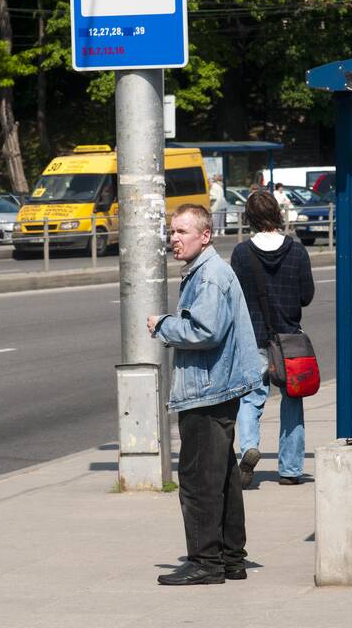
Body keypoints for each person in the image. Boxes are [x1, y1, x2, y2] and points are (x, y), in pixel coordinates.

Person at [148, 204, 264, 586]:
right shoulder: (207, 272)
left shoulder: (210, 276)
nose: (174, 239)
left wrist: (164, 325)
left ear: (205, 235)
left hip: (207, 391)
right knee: (224, 478)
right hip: (216, 388)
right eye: (172, 232)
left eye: (182, 232)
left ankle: (205, 563)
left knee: (199, 480)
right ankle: (231, 558)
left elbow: (206, 332)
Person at [231, 190, 315, 488]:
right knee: (292, 400)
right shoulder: (297, 251)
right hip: (289, 340)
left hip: (253, 337)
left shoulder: (241, 254)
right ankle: (291, 469)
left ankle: (250, 447)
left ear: (249, 219)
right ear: (278, 214)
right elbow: (307, 296)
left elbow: (235, 299)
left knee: (251, 399)